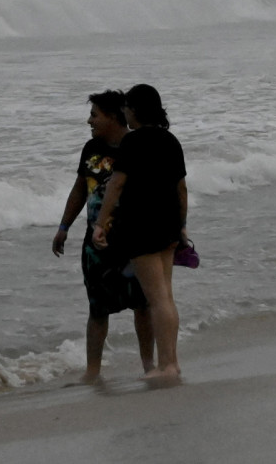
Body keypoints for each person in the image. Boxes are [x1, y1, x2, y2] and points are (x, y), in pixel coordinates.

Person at [52, 90, 154, 383]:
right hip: (96, 244)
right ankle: (92, 372)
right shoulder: (91, 148)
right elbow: (79, 188)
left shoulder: (137, 146)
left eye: (94, 115)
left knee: (143, 305)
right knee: (97, 308)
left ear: (112, 116)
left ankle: (149, 367)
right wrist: (64, 227)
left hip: (134, 241)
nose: (89, 121)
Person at [93, 84, 187, 384]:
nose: (125, 113)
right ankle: (171, 362)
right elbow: (181, 189)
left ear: (135, 110)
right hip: (168, 224)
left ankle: (167, 365)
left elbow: (116, 184)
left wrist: (100, 223)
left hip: (141, 227)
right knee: (166, 296)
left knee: (157, 298)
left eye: (127, 108)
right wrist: (182, 225)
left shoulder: (132, 142)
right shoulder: (170, 140)